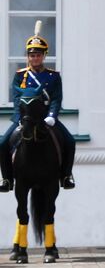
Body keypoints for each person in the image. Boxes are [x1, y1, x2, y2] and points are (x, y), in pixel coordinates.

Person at [1, 24, 76, 192]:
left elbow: (56, 98)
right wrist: (19, 117)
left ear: (44, 56)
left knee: (70, 141)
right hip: (26, 117)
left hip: (45, 117)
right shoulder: (20, 75)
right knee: (3, 142)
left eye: (38, 55)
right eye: (32, 55)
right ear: (28, 57)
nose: (35, 58)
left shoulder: (53, 76)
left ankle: (66, 176)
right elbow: (16, 98)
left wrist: (52, 115)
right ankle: (6, 179)